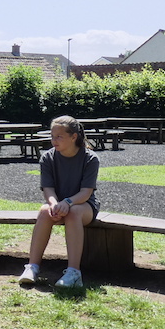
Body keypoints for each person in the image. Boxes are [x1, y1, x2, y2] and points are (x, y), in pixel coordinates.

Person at [18, 115, 100, 289]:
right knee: (44, 211)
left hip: (83, 206)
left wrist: (68, 202)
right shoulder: (48, 157)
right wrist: (54, 203)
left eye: (59, 137)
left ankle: (74, 273)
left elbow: (86, 193)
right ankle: (32, 267)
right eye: (52, 136)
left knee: (73, 213)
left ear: (73, 137)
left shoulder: (90, 158)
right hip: (60, 204)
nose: (54, 140)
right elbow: (48, 189)